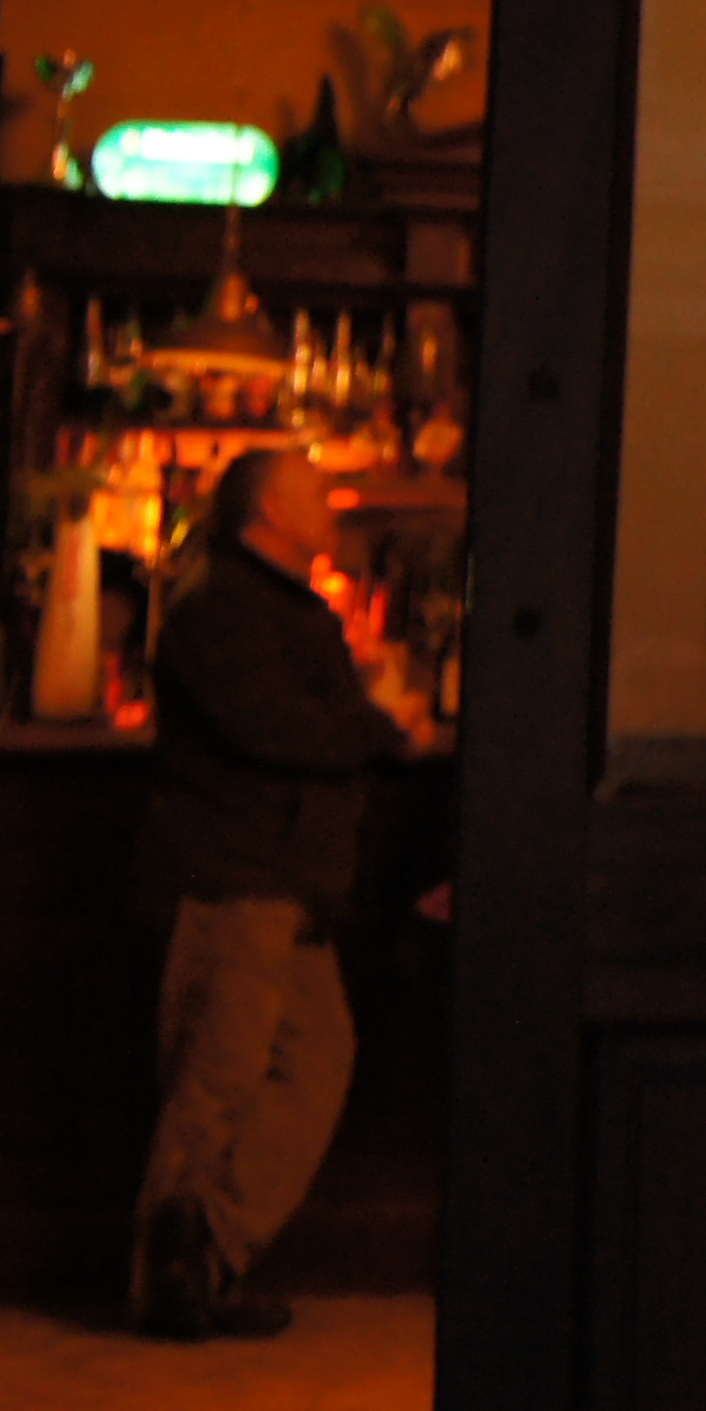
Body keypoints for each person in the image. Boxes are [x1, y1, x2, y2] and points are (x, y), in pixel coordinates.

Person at [132, 444, 413, 1342]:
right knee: (219, 1076)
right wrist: (380, 730)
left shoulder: (272, 604)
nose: (331, 501)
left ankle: (204, 1249)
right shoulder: (224, 606)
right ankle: (171, 1277)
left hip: (285, 881)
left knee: (310, 1065)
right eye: (312, 491)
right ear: (267, 512)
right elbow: (273, 727)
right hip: (239, 874)